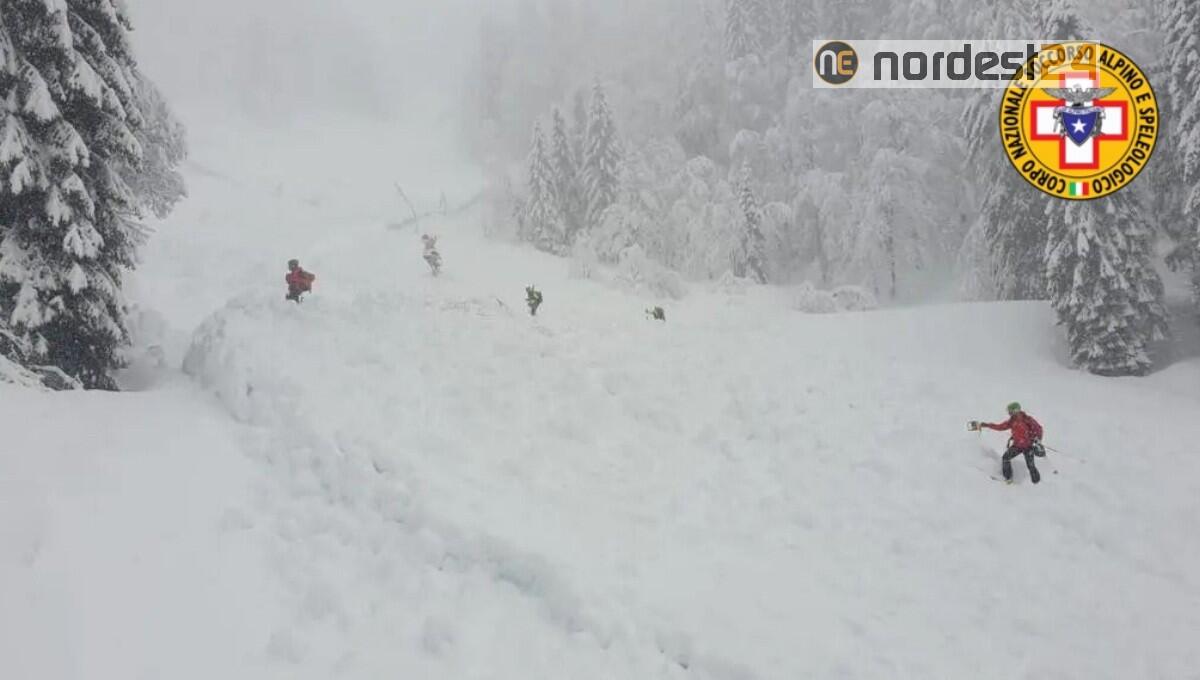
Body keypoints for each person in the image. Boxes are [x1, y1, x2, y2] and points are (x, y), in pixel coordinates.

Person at [972, 402, 1045, 484]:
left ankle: (1037, 483)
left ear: (1015, 410)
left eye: (1010, 411)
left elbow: (1039, 429)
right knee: (1005, 458)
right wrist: (986, 425)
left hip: (1028, 447)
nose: (1009, 413)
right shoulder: (1011, 421)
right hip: (1017, 446)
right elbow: (1000, 427)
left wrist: (1037, 440)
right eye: (1008, 411)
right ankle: (1008, 478)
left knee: (1031, 466)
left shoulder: (1027, 419)